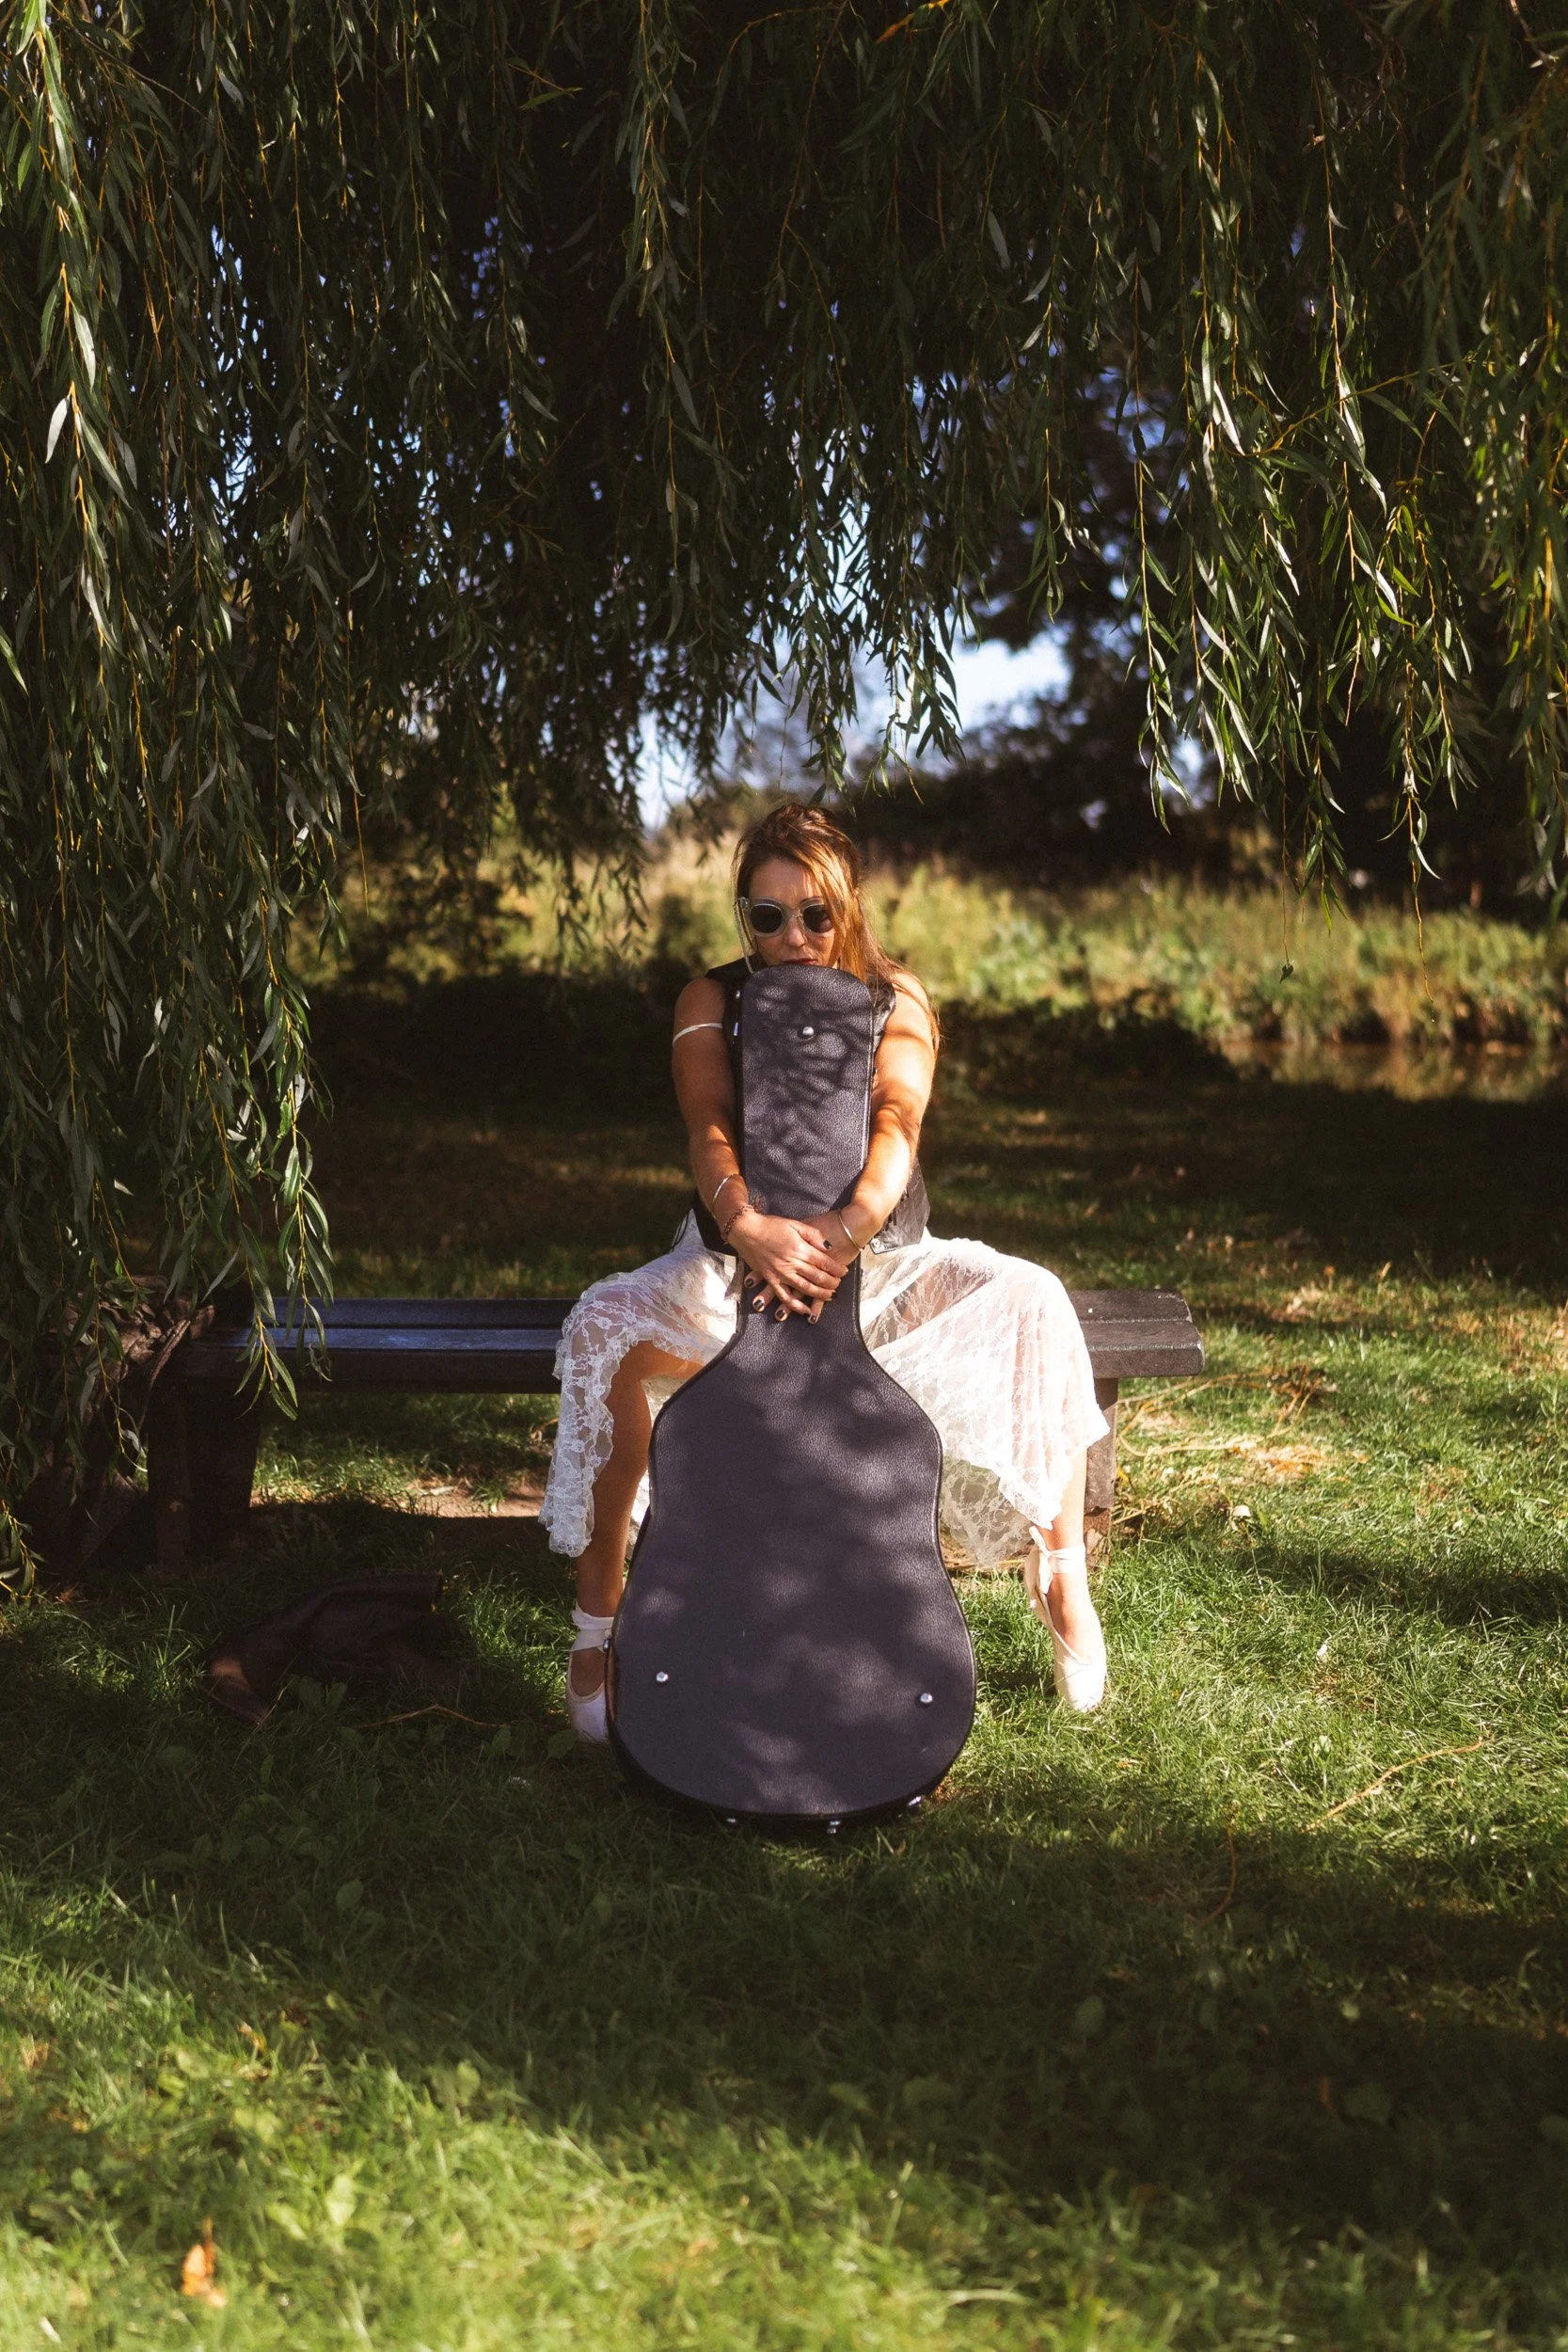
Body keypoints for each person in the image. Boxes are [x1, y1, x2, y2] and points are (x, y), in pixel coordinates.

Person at [540, 804, 1110, 1740]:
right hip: (734, 1266)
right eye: (765, 917)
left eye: (812, 913)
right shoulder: (709, 998)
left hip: (878, 1265)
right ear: (742, 920)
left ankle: (1059, 1575)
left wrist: (846, 1230)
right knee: (604, 1324)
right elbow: (707, 1123)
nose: (791, 936)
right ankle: (599, 1622)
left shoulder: (896, 995)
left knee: (1033, 1301)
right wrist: (748, 1223)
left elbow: (897, 1120)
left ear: (846, 907)